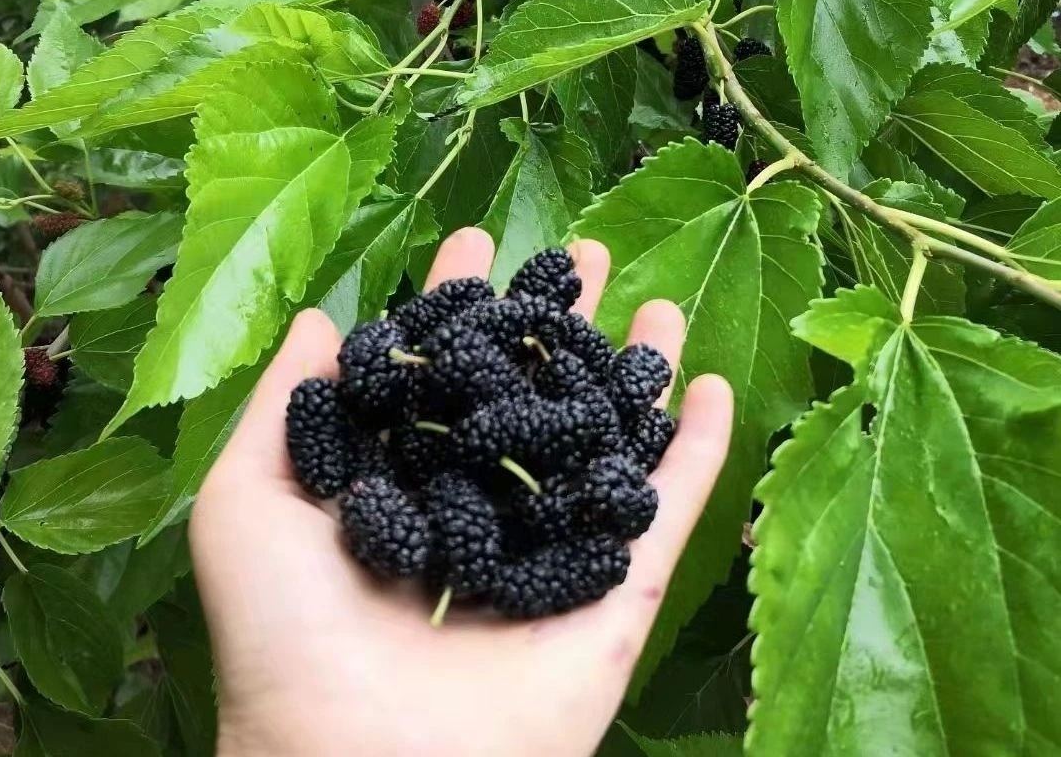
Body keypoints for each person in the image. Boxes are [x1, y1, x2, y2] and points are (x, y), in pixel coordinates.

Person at [189, 228, 734, 757]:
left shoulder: (563, 432)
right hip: (469, 446)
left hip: (526, 446)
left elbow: (542, 450)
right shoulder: (421, 443)